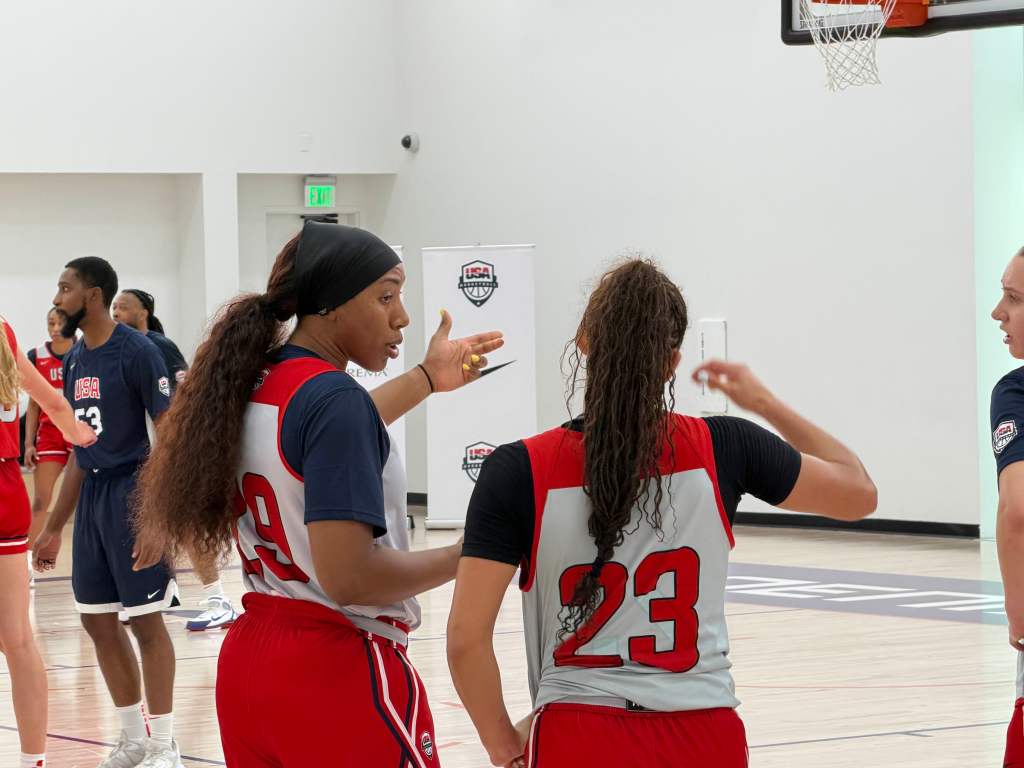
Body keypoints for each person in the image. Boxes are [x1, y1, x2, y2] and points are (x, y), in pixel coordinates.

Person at [446, 259, 878, 768]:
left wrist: (503, 746)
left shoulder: (517, 469)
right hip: (704, 732)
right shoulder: (726, 447)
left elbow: (465, 641)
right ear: (672, 362)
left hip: (579, 731)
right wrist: (762, 402)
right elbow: (858, 492)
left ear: (585, 343)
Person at [132, 221, 504, 767]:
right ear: (331, 305)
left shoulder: (257, 384)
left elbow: (324, 438)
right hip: (336, 668)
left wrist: (427, 377)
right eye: (386, 296)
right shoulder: (332, 401)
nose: (401, 316)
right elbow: (351, 578)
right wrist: (473, 553)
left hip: (252, 662)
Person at [32, 257, 183, 768]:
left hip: (135, 494)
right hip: (92, 498)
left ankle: (165, 744)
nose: (58, 297)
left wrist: (158, 519)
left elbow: (171, 441)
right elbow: (79, 449)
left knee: (145, 621)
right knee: (98, 623)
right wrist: (53, 527)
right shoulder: (75, 359)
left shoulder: (137, 352)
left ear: (92, 295)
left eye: (65, 287)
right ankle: (132, 739)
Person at [1, 315, 96, 768]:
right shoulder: (4, 331)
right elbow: (56, 404)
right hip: (6, 495)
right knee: (18, 641)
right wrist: (85, 436)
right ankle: (33, 760)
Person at [112, 288, 237, 631]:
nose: (116, 312)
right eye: (113, 307)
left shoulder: (156, 345)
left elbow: (187, 396)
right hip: (145, 454)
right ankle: (166, 589)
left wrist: (181, 449)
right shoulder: (119, 351)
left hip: (179, 449)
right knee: (148, 522)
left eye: (123, 306)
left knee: (190, 525)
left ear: (144, 312)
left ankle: (218, 600)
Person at [988, 246, 1024, 768]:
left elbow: (1017, 510)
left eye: (1013, 299)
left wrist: (1018, 614)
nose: (997, 311)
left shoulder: (1015, 391)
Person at [23, 309, 76, 553]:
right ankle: (30, 562)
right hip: (50, 434)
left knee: (86, 501)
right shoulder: (36, 356)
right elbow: (34, 404)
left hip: (80, 431)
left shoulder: (86, 350)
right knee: (41, 501)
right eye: (50, 323)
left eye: (60, 323)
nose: (55, 329)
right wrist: (28, 443)